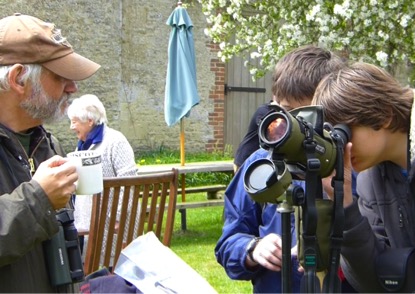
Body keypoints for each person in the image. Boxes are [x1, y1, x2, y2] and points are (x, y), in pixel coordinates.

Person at [215, 45, 350, 293]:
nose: (299, 129)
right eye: (286, 112)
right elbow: (229, 241)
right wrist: (254, 249)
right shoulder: (261, 163)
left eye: (309, 117)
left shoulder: (353, 163)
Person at [0, 13, 100, 292]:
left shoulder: (45, 143)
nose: (73, 87)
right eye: (60, 76)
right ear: (19, 78)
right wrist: (39, 198)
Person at [312, 62, 415, 292]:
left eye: (344, 132)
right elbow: (373, 283)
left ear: (384, 116)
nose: (341, 147)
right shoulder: (369, 181)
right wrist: (345, 205)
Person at [67, 94, 139, 253]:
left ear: (90, 121)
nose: (71, 127)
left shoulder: (115, 141)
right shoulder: (83, 145)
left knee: (109, 265)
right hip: (89, 225)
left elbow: (129, 181)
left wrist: (117, 217)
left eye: (74, 122)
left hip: (113, 227)